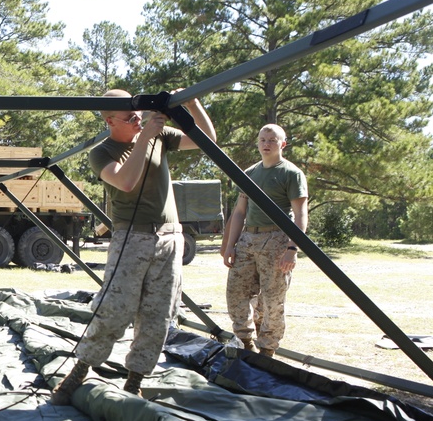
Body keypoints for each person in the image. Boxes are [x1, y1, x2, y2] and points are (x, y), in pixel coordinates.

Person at [51, 89, 216, 402]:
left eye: (138, 113)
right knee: (114, 309)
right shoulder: (102, 152)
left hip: (169, 237)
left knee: (158, 314)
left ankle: (134, 380)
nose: (137, 119)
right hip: (132, 239)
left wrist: (193, 102)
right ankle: (80, 370)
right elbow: (126, 181)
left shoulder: (160, 136)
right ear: (111, 121)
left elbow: (207, 139)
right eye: (129, 117)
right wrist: (146, 137)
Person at [221, 124, 308, 359]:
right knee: (236, 293)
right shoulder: (249, 173)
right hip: (248, 238)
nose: (266, 144)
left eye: (272, 140)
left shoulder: (291, 173)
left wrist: (292, 247)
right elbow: (239, 212)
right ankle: (245, 342)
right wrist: (229, 245)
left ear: (283, 144)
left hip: (277, 239)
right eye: (262, 140)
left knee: (272, 299)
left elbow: (300, 213)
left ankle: (267, 350)